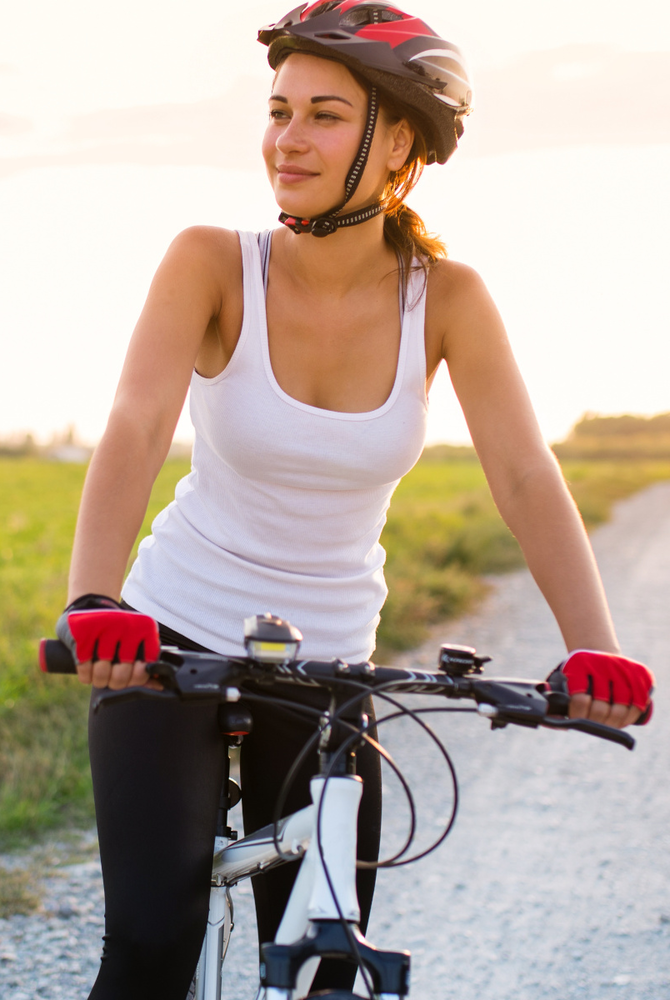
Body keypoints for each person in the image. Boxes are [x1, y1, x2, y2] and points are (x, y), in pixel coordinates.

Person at [55, 3, 655, 998]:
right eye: (278, 109)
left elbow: (522, 474)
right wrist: (94, 600)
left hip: (329, 667)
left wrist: (593, 642)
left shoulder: (446, 296)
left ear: (400, 144)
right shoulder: (211, 261)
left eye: (323, 115)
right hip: (168, 637)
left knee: (329, 964)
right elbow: (132, 425)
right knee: (153, 945)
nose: (286, 139)